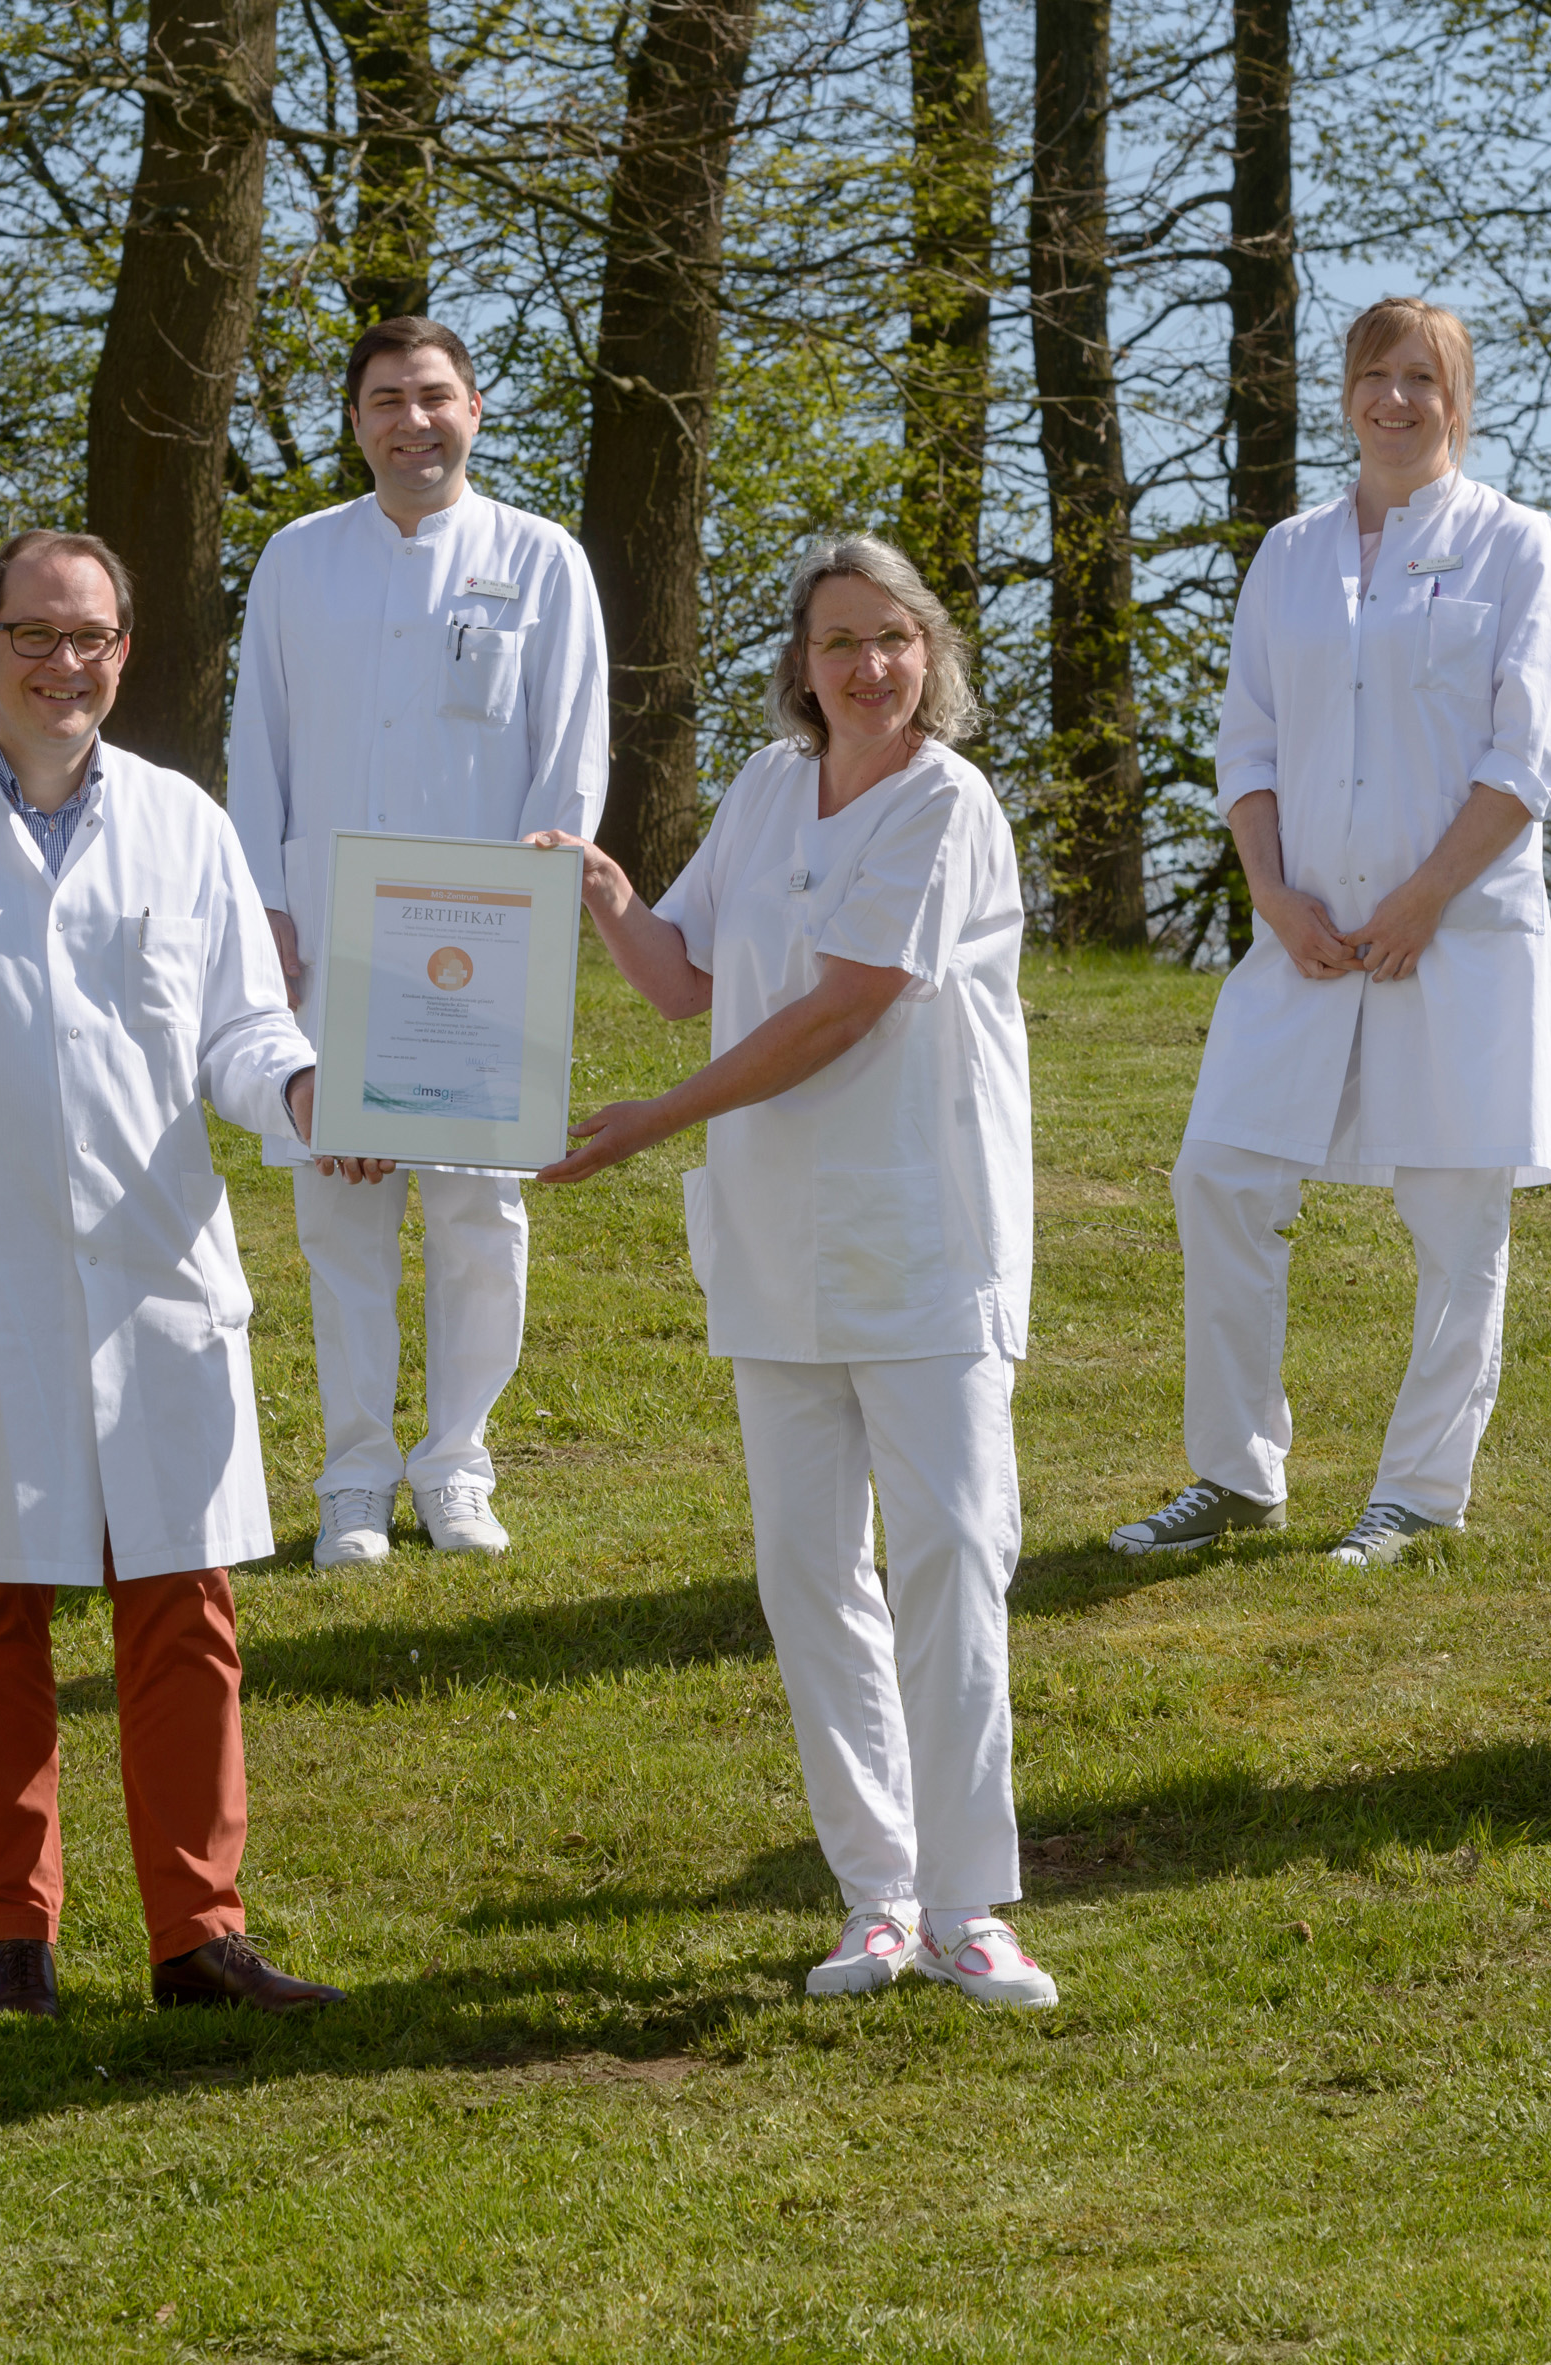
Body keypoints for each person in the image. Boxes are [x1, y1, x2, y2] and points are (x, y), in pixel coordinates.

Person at [0, 528, 362, 2016]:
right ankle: (10, 1940)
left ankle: (198, 1935)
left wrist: (305, 1104)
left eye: (91, 636)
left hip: (153, 1273)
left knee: (185, 1606)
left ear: (124, 652)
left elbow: (239, 1030)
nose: (64, 662)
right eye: (33, 634)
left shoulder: (181, 824)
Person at [533, 536, 1051, 2009]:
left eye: (891, 638)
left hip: (922, 1239)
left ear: (930, 655)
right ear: (800, 664)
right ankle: (874, 1898)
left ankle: (969, 1905)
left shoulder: (945, 804)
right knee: (807, 1570)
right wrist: (598, 886)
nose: (866, 667)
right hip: (773, 1243)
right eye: (837, 642)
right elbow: (683, 975)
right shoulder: (768, 788)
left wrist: (653, 1122)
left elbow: (843, 1010)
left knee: (950, 1555)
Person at [1110, 295, 1551, 1570]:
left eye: (1421, 380)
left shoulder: (1515, 547)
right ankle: (1235, 1474)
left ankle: (1420, 1492)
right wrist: (1271, 895)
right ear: (1344, 392)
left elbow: (1532, 749)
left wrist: (1429, 895)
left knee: (1453, 1221)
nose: (1395, 400)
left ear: (1458, 401)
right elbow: (1249, 742)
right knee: (1218, 1174)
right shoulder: (1293, 554)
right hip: (1304, 938)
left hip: (1461, 937)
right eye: (1375, 375)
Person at [224, 317, 611, 1569]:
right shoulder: (298, 559)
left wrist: (538, 908)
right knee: (341, 1216)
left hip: (479, 947)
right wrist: (263, 911)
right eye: (386, 398)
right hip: (326, 943)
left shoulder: (542, 560)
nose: (413, 421)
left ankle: (457, 1463)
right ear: (356, 421)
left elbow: (570, 754)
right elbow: (258, 750)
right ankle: (352, 1479)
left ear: (475, 411)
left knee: (477, 1214)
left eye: (435, 396)